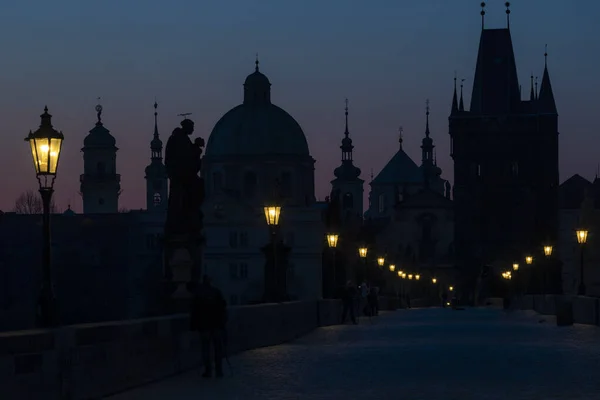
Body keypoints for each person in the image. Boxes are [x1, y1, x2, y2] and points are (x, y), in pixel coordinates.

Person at [190, 276, 227, 378]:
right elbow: (223, 308)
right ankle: (219, 371)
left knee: (206, 348)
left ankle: (208, 371)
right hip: (216, 325)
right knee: (217, 348)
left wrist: (194, 325)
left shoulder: (198, 294)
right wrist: (222, 323)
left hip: (204, 325)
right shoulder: (216, 292)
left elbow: (194, 311)